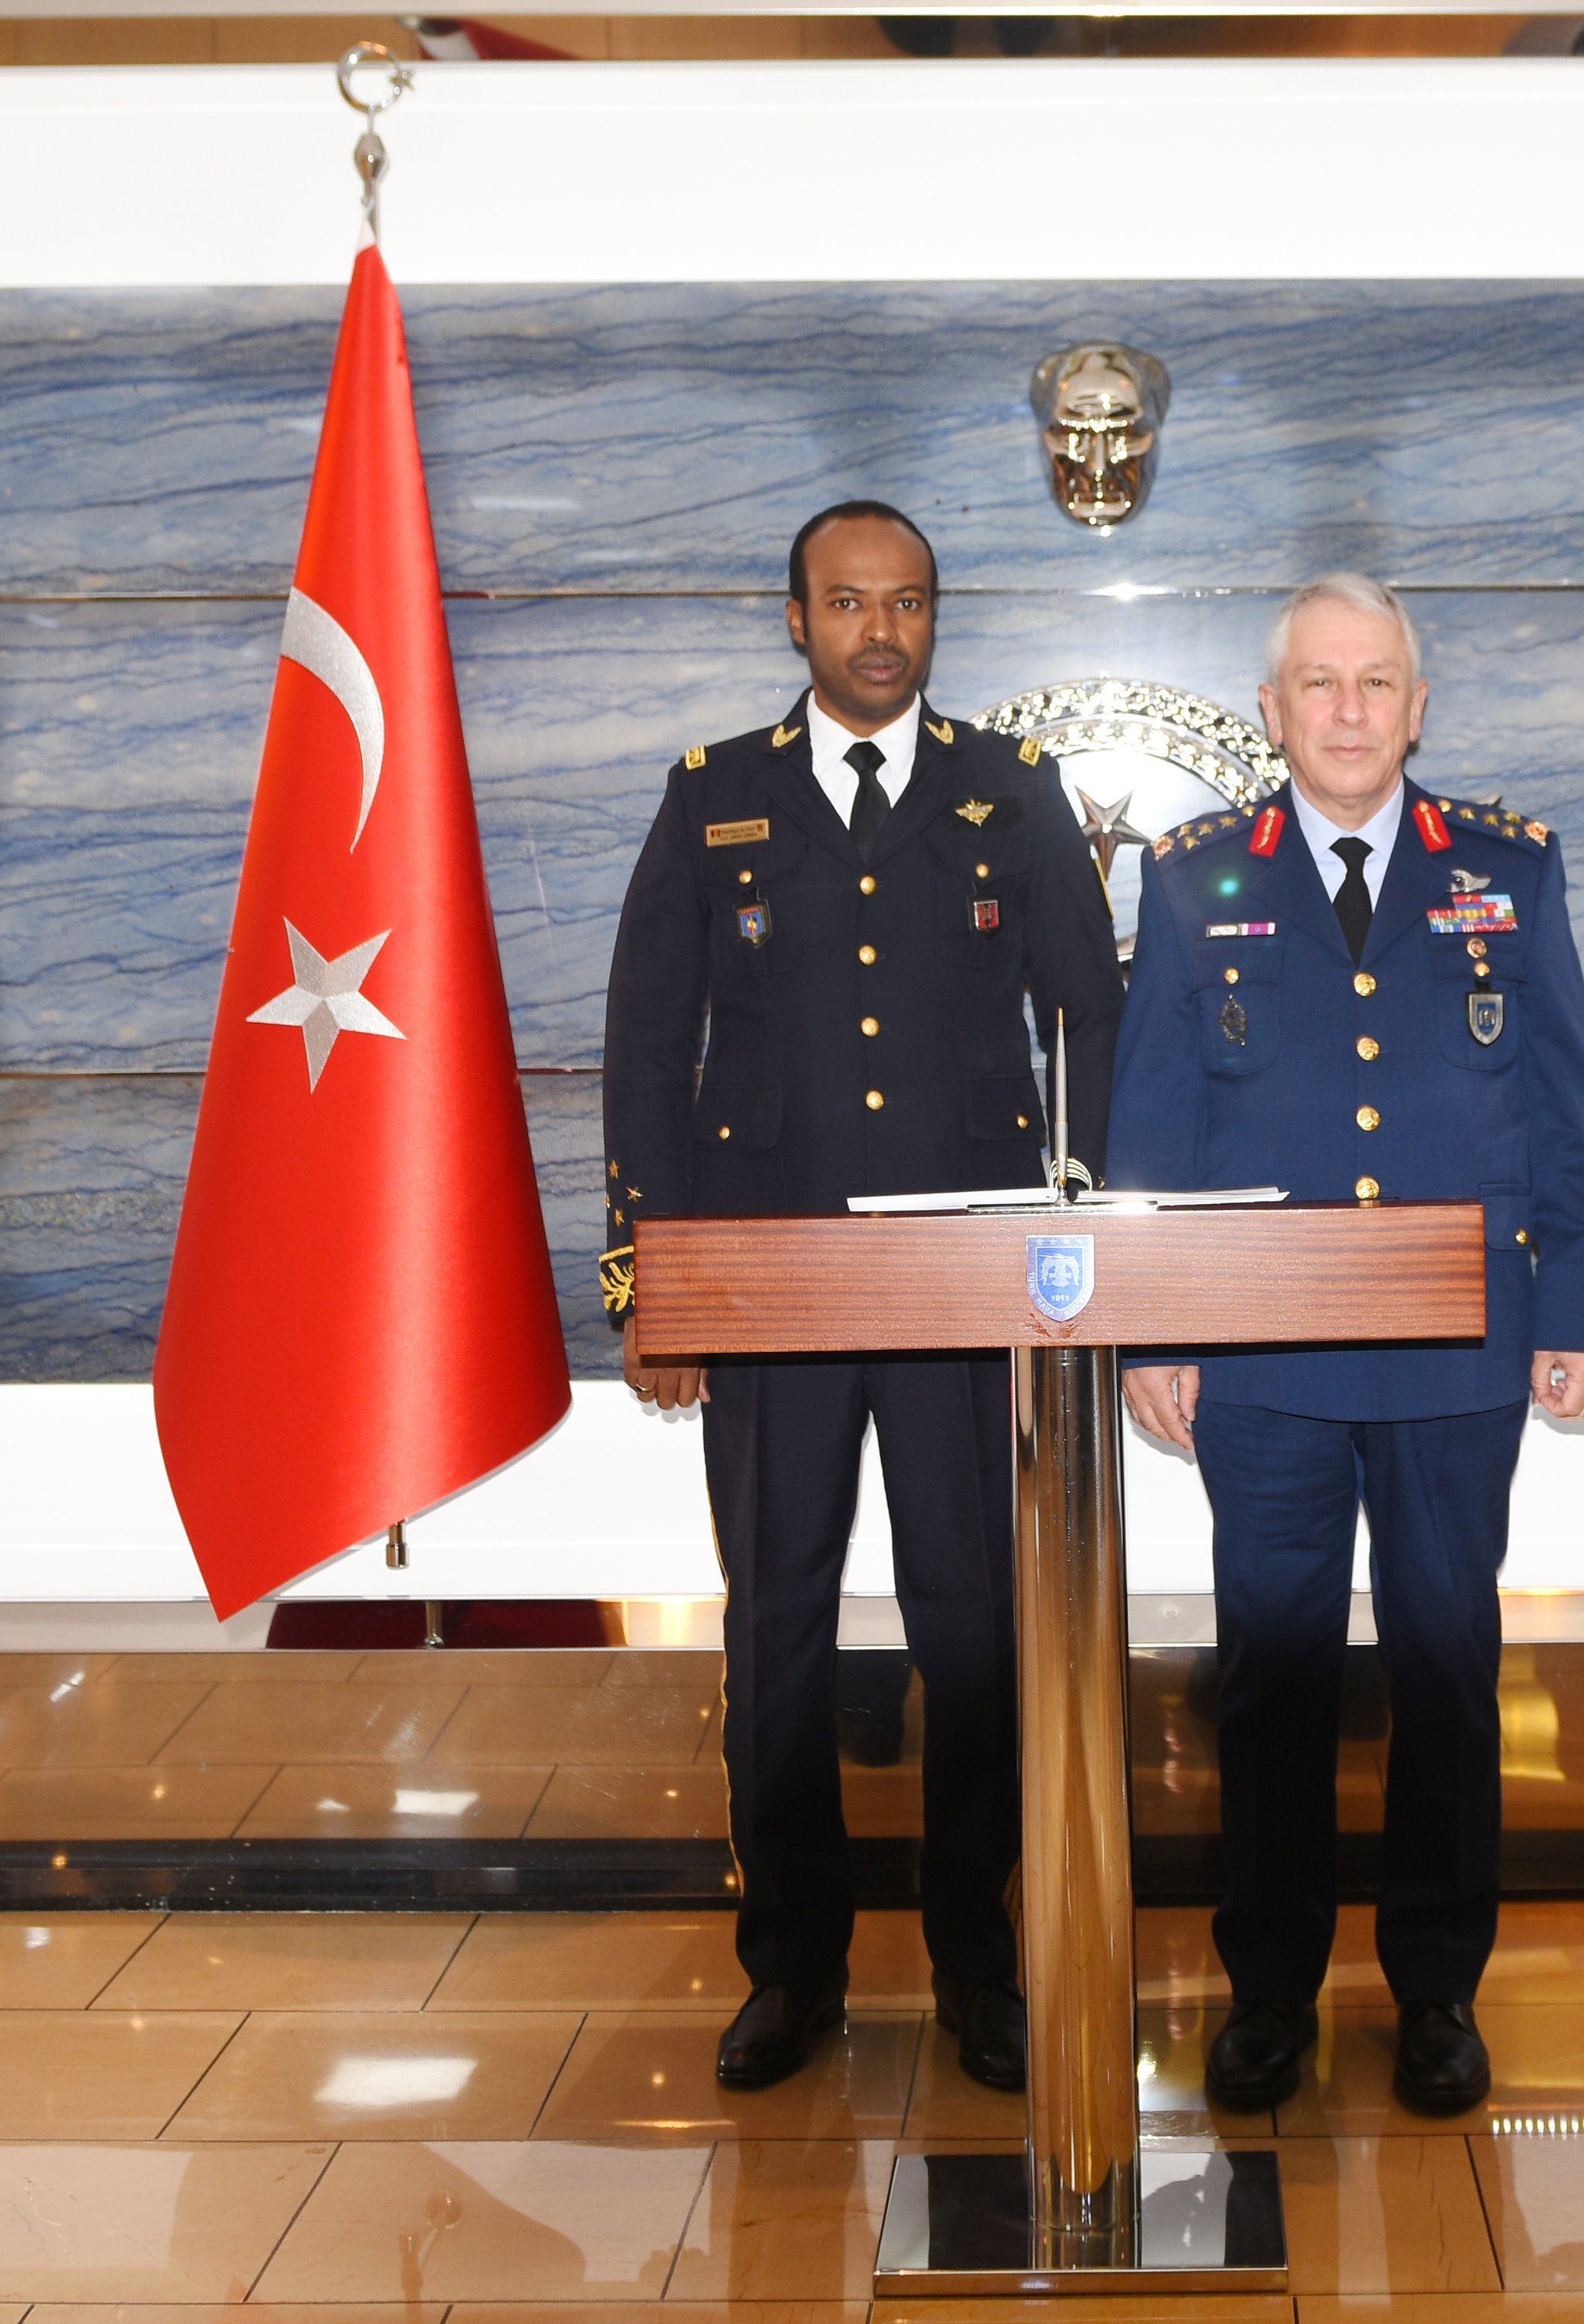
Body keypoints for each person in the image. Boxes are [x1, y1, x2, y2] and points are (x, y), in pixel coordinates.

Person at [600, 500, 1125, 2093]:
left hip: (966, 1281)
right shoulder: (717, 798)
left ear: (930, 620)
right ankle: (794, 1970)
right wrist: (660, 1281)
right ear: (795, 621)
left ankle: (978, 1967)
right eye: (845, 603)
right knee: (773, 1629)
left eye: (903, 603)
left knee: (973, 1633)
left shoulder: (1003, 789)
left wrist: (1081, 1243)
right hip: (765, 1284)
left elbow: (1087, 1018)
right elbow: (644, 1047)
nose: (877, 630)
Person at [1109, 572, 1584, 2116]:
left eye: (1373, 682)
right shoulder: (1193, 876)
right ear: (1270, 711)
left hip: (1456, 1350)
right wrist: (1150, 1329)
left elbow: (1561, 1101)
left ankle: (1437, 1995)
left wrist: (1579, 1307)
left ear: (1415, 704)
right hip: (1256, 1357)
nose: (1344, 710)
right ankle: (1267, 1995)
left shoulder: (1506, 872)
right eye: (1316, 684)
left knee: (1446, 1670)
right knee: (1268, 1681)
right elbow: (1151, 1116)